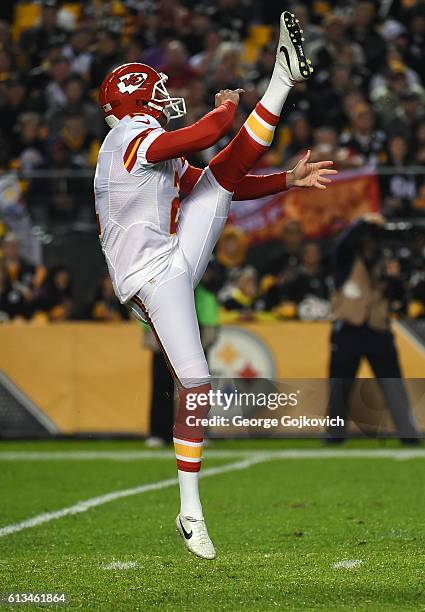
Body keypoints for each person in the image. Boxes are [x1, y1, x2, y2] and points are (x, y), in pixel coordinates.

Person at [95, 11, 336, 560]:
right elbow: (206, 132)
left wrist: (286, 181)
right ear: (137, 101)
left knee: (220, 183)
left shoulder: (144, 144)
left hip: (170, 256)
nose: (164, 100)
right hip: (149, 277)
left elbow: (219, 178)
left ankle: (281, 80)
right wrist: (225, 108)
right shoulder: (126, 140)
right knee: (198, 382)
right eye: (156, 93)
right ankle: (189, 509)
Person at [326, 213, 421, 444]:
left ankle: (408, 434)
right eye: (369, 235)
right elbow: (344, 242)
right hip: (348, 329)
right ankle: (334, 435)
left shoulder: (386, 261)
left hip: (378, 330)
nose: (371, 240)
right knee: (340, 385)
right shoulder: (345, 259)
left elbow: (399, 300)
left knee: (393, 384)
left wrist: (395, 279)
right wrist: (365, 221)